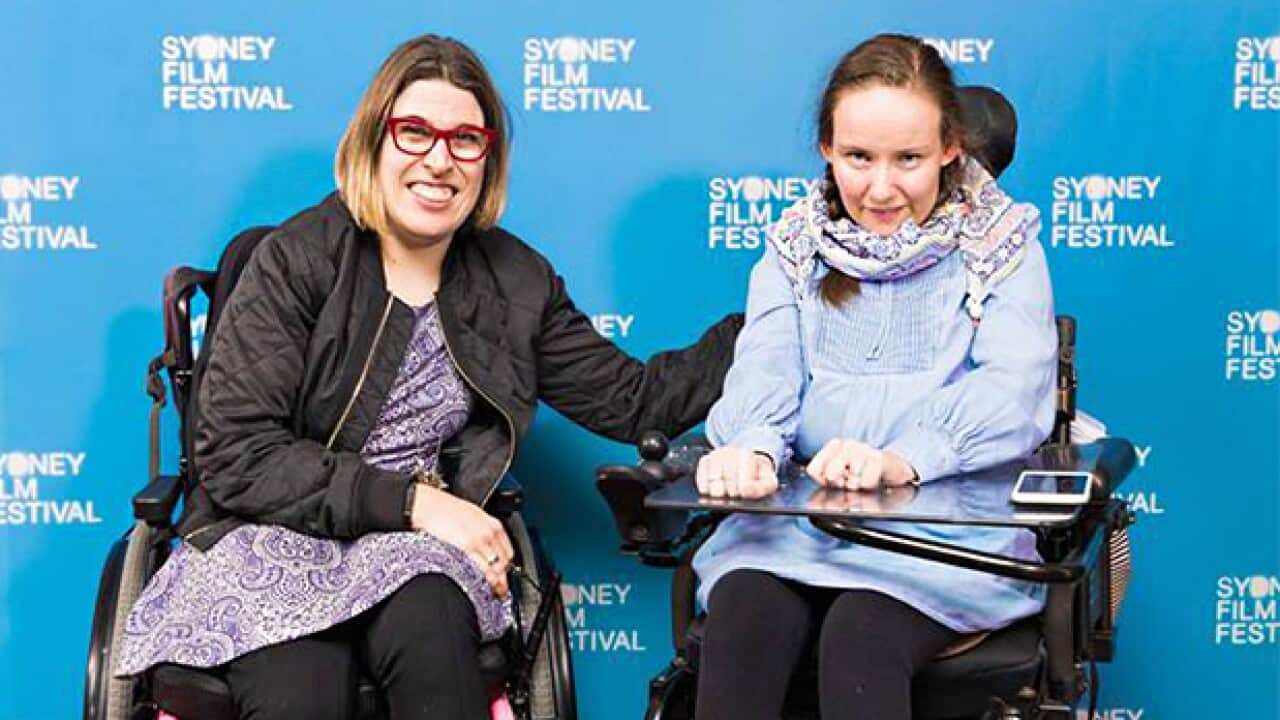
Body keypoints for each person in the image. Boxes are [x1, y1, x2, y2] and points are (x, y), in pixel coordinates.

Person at [114, 34, 741, 720]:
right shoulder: (294, 261)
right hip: (269, 535)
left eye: (465, 139)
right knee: (301, 686)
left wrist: (776, 318)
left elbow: (635, 402)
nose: (439, 160)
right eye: (415, 132)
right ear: (374, 140)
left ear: (487, 159)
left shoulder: (515, 281)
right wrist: (418, 502)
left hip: (415, 556)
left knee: (436, 633)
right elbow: (238, 453)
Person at [690, 34, 1057, 720]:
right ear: (826, 148)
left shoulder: (1000, 245)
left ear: (950, 147)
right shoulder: (794, 247)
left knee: (860, 635)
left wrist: (903, 459)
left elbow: (1014, 387)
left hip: (940, 539)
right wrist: (751, 445)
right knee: (742, 615)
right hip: (797, 528)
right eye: (859, 157)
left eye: (908, 160)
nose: (880, 187)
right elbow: (766, 365)